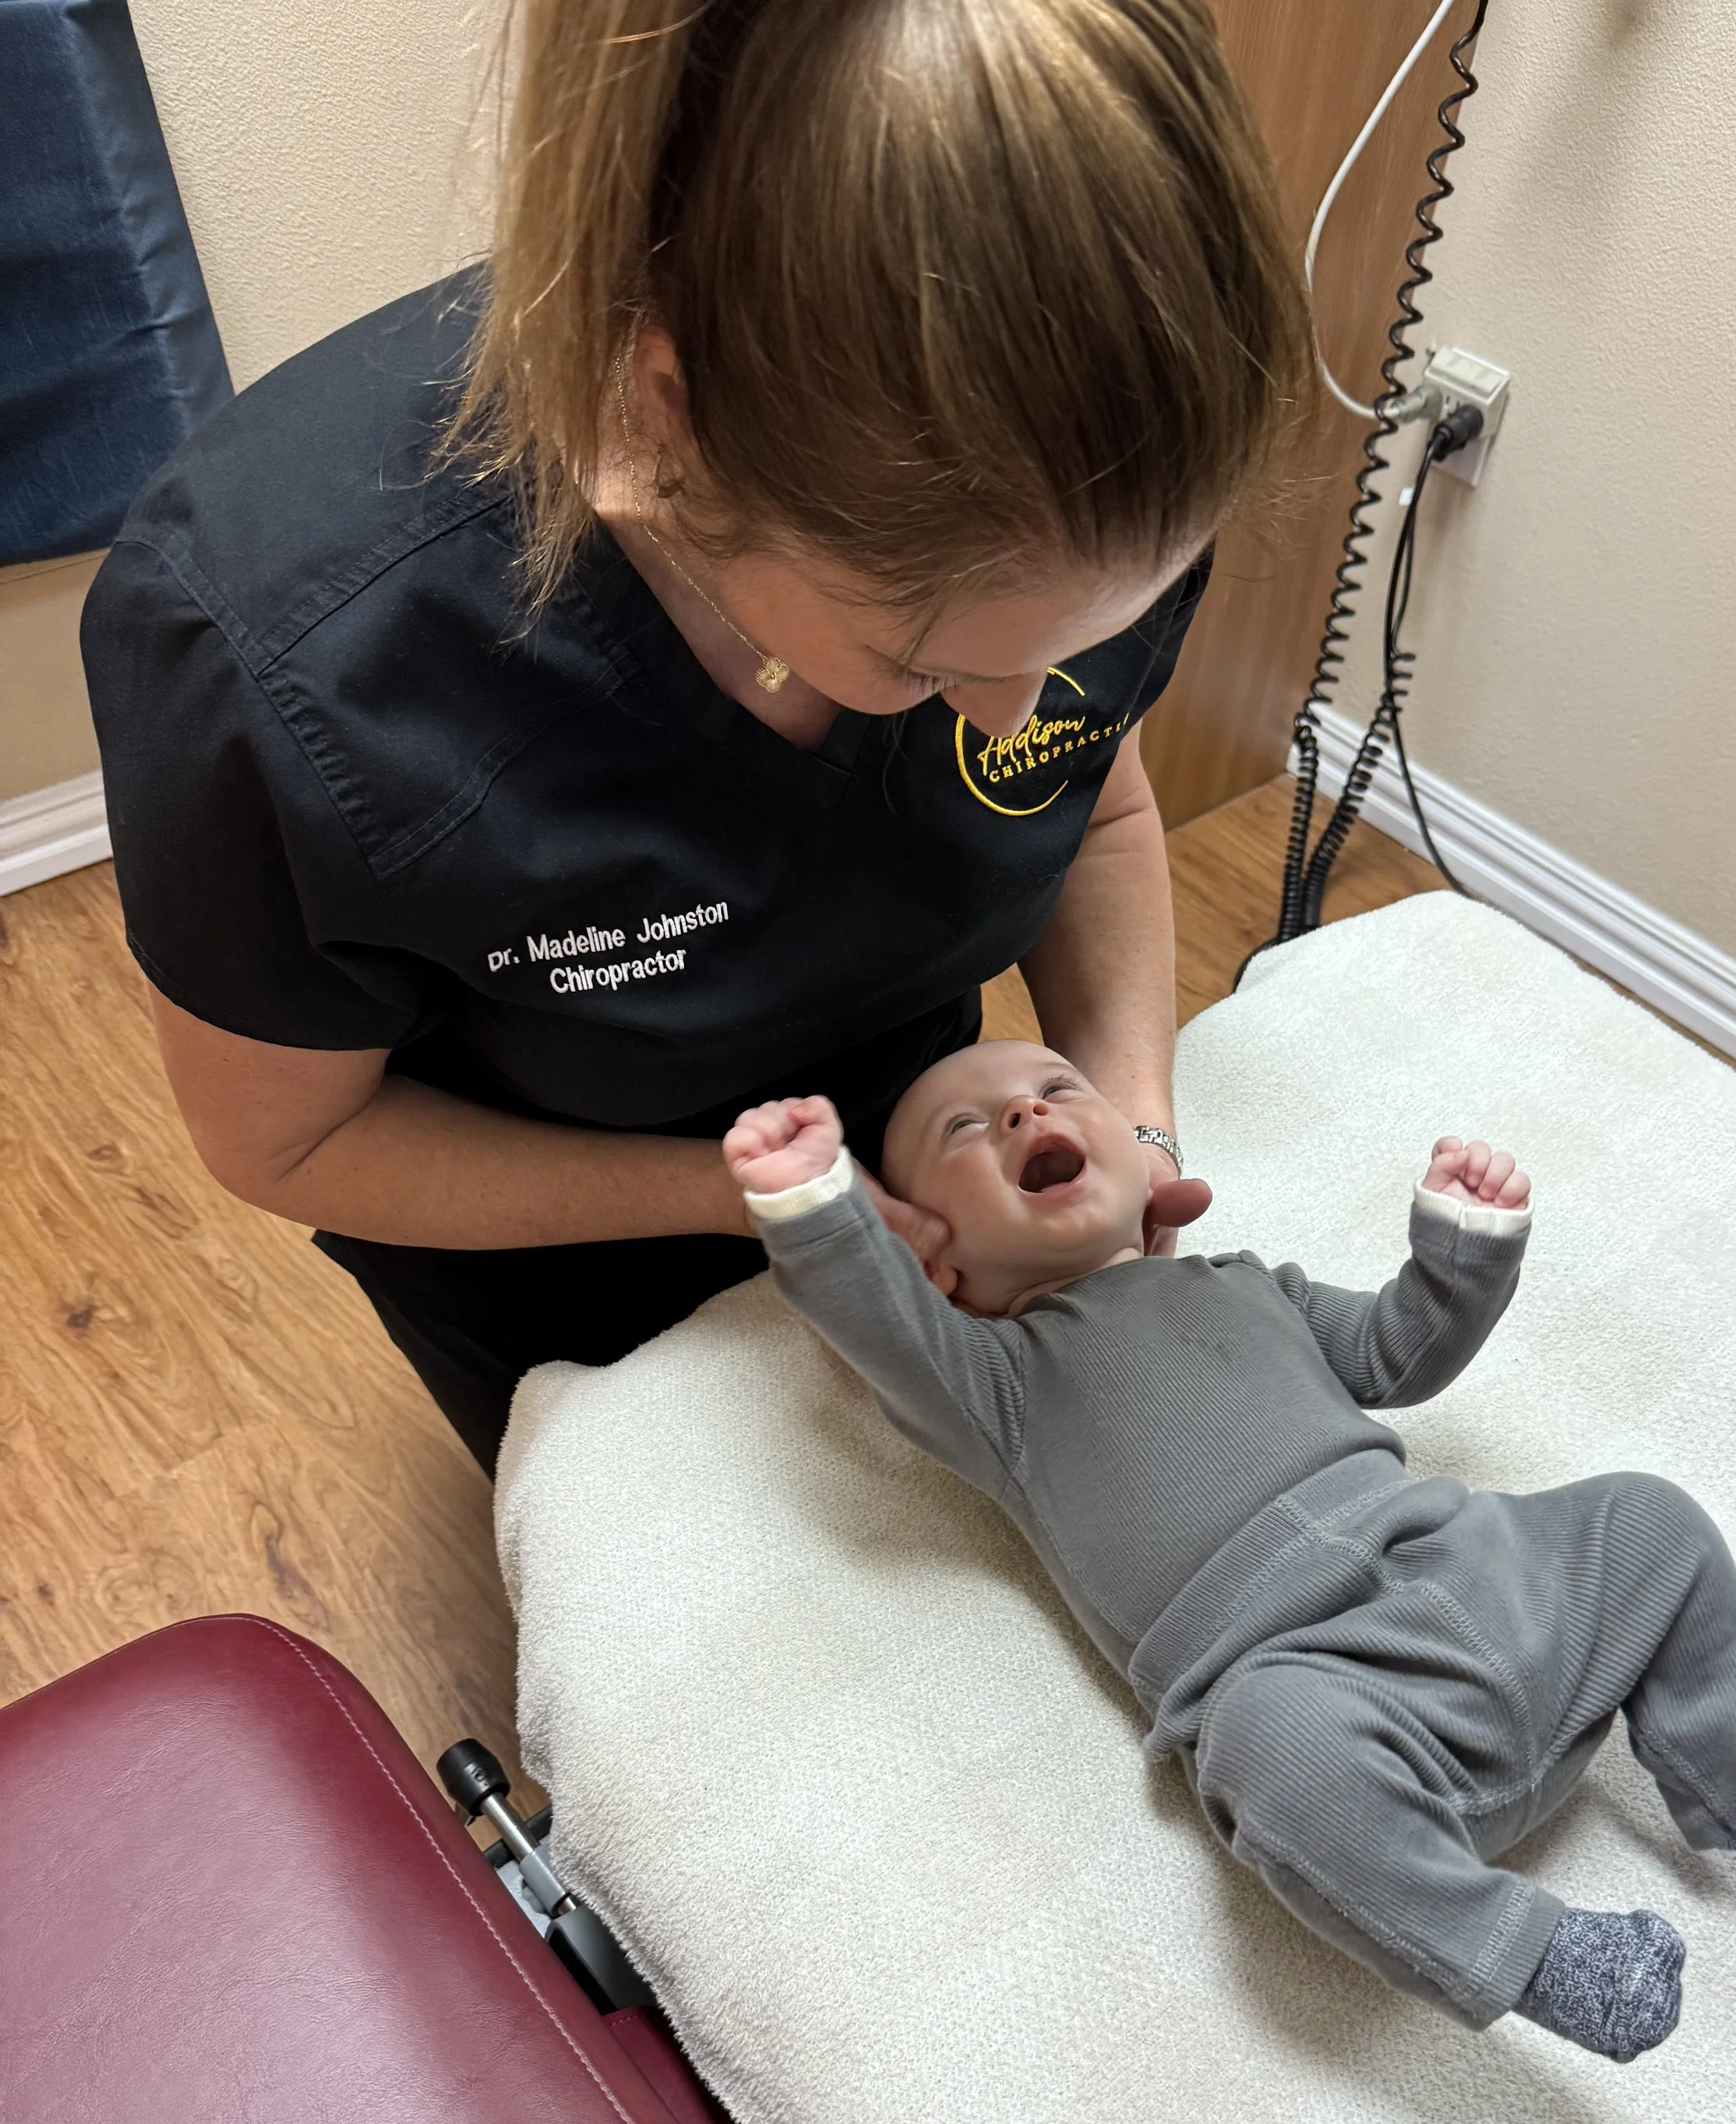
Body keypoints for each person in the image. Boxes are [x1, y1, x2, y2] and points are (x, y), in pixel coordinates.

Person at [79, 0, 1312, 1473]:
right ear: (675, 421)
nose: (1021, 704)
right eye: (926, 660)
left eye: (1079, 638)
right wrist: (761, 1201)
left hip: (925, 1159)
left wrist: (1133, 1130)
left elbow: (1095, 809)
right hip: (567, 1261)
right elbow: (287, 1142)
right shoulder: (283, 663)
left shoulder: (1085, 488)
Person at [721, 1045, 1736, 2060]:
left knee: (1645, 1516)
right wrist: (816, 1204)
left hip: (1476, 1572)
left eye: (1055, 1087)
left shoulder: (1254, 1285)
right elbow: (879, 1323)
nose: (1029, 1113)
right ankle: (1535, 1951)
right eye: (969, 1132)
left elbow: (1400, 1354)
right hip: (1321, 1685)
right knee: (1268, 1750)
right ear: (943, 1265)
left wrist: (1462, 1249)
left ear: (1149, 1160)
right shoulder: (995, 1384)